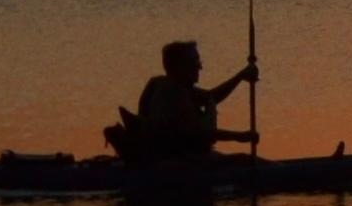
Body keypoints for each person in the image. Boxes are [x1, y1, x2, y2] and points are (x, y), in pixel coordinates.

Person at [107, 38, 255, 165]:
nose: (200, 67)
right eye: (195, 62)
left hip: (175, 157)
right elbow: (200, 134)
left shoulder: (168, 84)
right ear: (180, 66)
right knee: (245, 161)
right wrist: (239, 136)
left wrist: (240, 76)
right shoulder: (172, 92)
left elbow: (211, 97)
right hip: (177, 161)